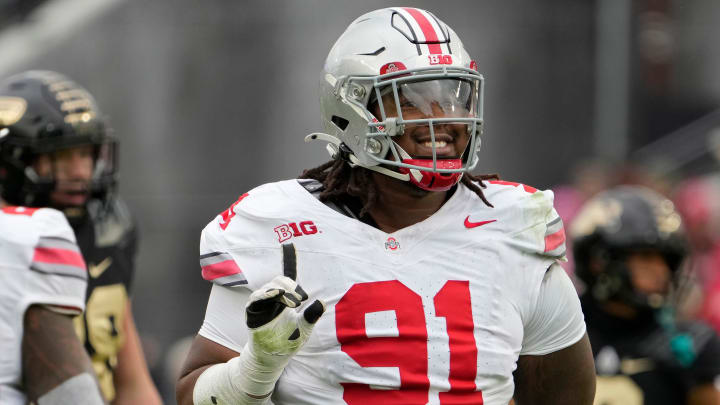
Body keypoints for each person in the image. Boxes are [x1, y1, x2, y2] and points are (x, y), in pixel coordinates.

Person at [177, 7, 595, 405]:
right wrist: (257, 365)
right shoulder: (280, 228)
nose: (443, 118)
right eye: (413, 98)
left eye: (454, 95)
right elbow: (190, 395)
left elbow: (564, 395)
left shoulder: (514, 225)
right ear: (353, 108)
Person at [0, 70, 162, 404]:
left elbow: (130, 380)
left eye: (86, 153)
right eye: (60, 156)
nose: (80, 172)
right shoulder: (11, 242)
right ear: (10, 161)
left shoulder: (109, 230)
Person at [570, 185, 720, 404]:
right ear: (598, 261)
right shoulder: (558, 333)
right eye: (646, 256)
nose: (661, 270)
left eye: (665, 259)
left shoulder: (690, 345)